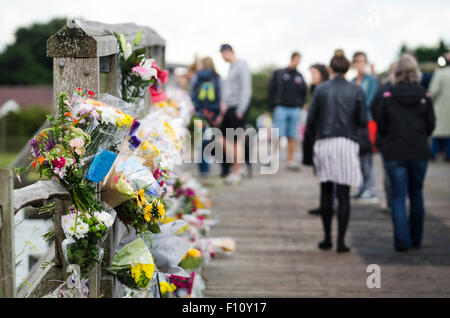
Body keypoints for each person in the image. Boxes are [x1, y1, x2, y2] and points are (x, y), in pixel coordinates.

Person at [307, 49, 367, 253]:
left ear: (330, 68)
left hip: (324, 141)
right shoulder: (356, 90)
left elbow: (310, 119)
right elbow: (362, 120)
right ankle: (341, 241)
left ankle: (327, 239)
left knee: (325, 191)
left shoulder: (321, 89)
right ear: (349, 67)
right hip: (347, 143)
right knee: (343, 194)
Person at [373, 54, 435, 252]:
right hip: (418, 152)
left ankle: (402, 241)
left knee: (398, 197)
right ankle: (416, 239)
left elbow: (380, 123)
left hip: (394, 152)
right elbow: (430, 125)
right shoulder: (424, 95)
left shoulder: (388, 95)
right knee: (416, 194)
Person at [218, 44, 252, 185]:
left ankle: (237, 171)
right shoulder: (231, 67)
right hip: (229, 108)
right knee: (222, 139)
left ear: (228, 52)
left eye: (222, 54)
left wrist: (241, 110)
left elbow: (246, 88)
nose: (222, 57)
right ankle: (238, 166)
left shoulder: (241, 65)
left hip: (237, 108)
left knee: (236, 140)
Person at [268, 52, 307, 171]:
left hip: (295, 108)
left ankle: (290, 161)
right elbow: (272, 89)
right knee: (278, 135)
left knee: (292, 135)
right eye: (297, 59)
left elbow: (304, 91)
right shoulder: (280, 73)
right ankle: (272, 159)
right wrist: (273, 105)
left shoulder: (299, 76)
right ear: (292, 59)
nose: (298, 61)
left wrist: (300, 104)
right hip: (281, 107)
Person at [302, 64, 330, 215]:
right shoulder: (315, 89)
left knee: (328, 175)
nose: (312, 76)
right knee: (322, 174)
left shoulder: (324, 89)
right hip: (315, 135)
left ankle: (328, 205)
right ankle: (325, 205)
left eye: (314, 73)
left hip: (323, 135)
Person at [352, 51, 379, 204]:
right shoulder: (351, 81)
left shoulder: (371, 80)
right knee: (358, 157)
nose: (360, 64)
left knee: (367, 157)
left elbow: (370, 100)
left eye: (362, 61)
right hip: (354, 124)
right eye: (357, 61)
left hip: (367, 122)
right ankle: (362, 187)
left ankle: (370, 188)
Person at [190, 57, 223, 177]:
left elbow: (192, 93)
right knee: (212, 141)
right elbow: (221, 95)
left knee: (200, 141)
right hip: (213, 114)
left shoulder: (196, 76)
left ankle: (203, 169)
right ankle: (217, 165)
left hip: (199, 113)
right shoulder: (217, 77)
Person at [371, 62, 397, 214]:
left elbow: (375, 111)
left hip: (387, 139)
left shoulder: (383, 90)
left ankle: (390, 203)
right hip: (412, 144)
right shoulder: (419, 91)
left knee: (388, 172)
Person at [429, 52, 450, 161]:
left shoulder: (439, 73)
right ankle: (448, 154)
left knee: (437, 132)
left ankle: (433, 154)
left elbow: (433, 91)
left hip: (440, 107)